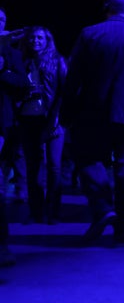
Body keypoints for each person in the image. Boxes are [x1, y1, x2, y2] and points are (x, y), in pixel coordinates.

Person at [60, 0, 124, 244]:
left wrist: (66, 112)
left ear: (106, 7)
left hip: (93, 111)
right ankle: (123, 225)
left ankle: (103, 208)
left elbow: (73, 76)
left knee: (88, 159)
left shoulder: (90, 34)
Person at [17, 26, 67, 225]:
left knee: (54, 166)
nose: (35, 41)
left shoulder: (57, 61)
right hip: (28, 117)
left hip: (52, 118)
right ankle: (35, 211)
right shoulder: (21, 61)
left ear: (47, 40)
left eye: (40, 38)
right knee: (32, 166)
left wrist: (56, 117)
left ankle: (53, 211)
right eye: (32, 38)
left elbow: (64, 91)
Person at [0, 7, 27, 266]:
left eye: (2, 20)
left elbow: (22, 83)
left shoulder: (10, 53)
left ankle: (2, 245)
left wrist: (2, 71)